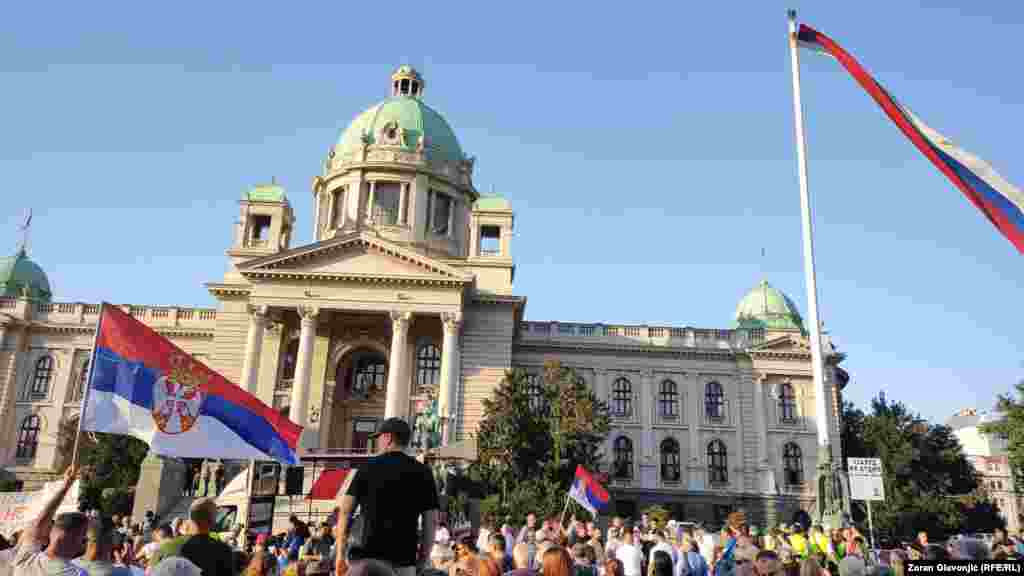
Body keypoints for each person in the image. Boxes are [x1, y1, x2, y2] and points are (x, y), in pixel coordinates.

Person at [335, 417, 439, 576]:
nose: (378, 443)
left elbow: (345, 512)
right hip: (403, 562)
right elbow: (431, 520)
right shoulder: (423, 472)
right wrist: (423, 559)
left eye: (379, 438)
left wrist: (340, 556)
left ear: (388, 438)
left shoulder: (366, 468)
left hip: (366, 561)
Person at [12, 465, 88, 576]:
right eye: (84, 538)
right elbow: (39, 525)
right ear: (75, 539)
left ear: (52, 533)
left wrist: (65, 486)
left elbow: (39, 524)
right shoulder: (77, 573)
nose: (84, 543)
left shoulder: (26, 558)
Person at [149, 497, 235, 576]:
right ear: (212, 521)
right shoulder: (223, 552)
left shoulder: (166, 547)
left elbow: (150, 572)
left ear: (190, 519)